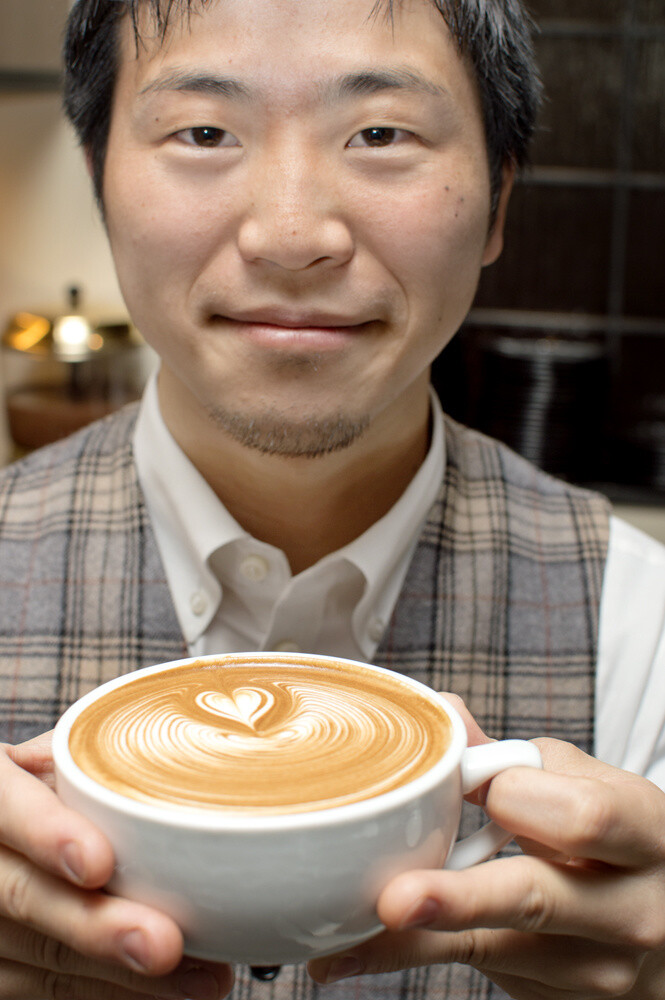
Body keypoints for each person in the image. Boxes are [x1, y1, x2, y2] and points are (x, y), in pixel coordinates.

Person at [1, 0, 665, 998]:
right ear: (99, 183)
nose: (291, 235)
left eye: (380, 134)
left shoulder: (639, 629)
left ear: (495, 204)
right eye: (204, 132)